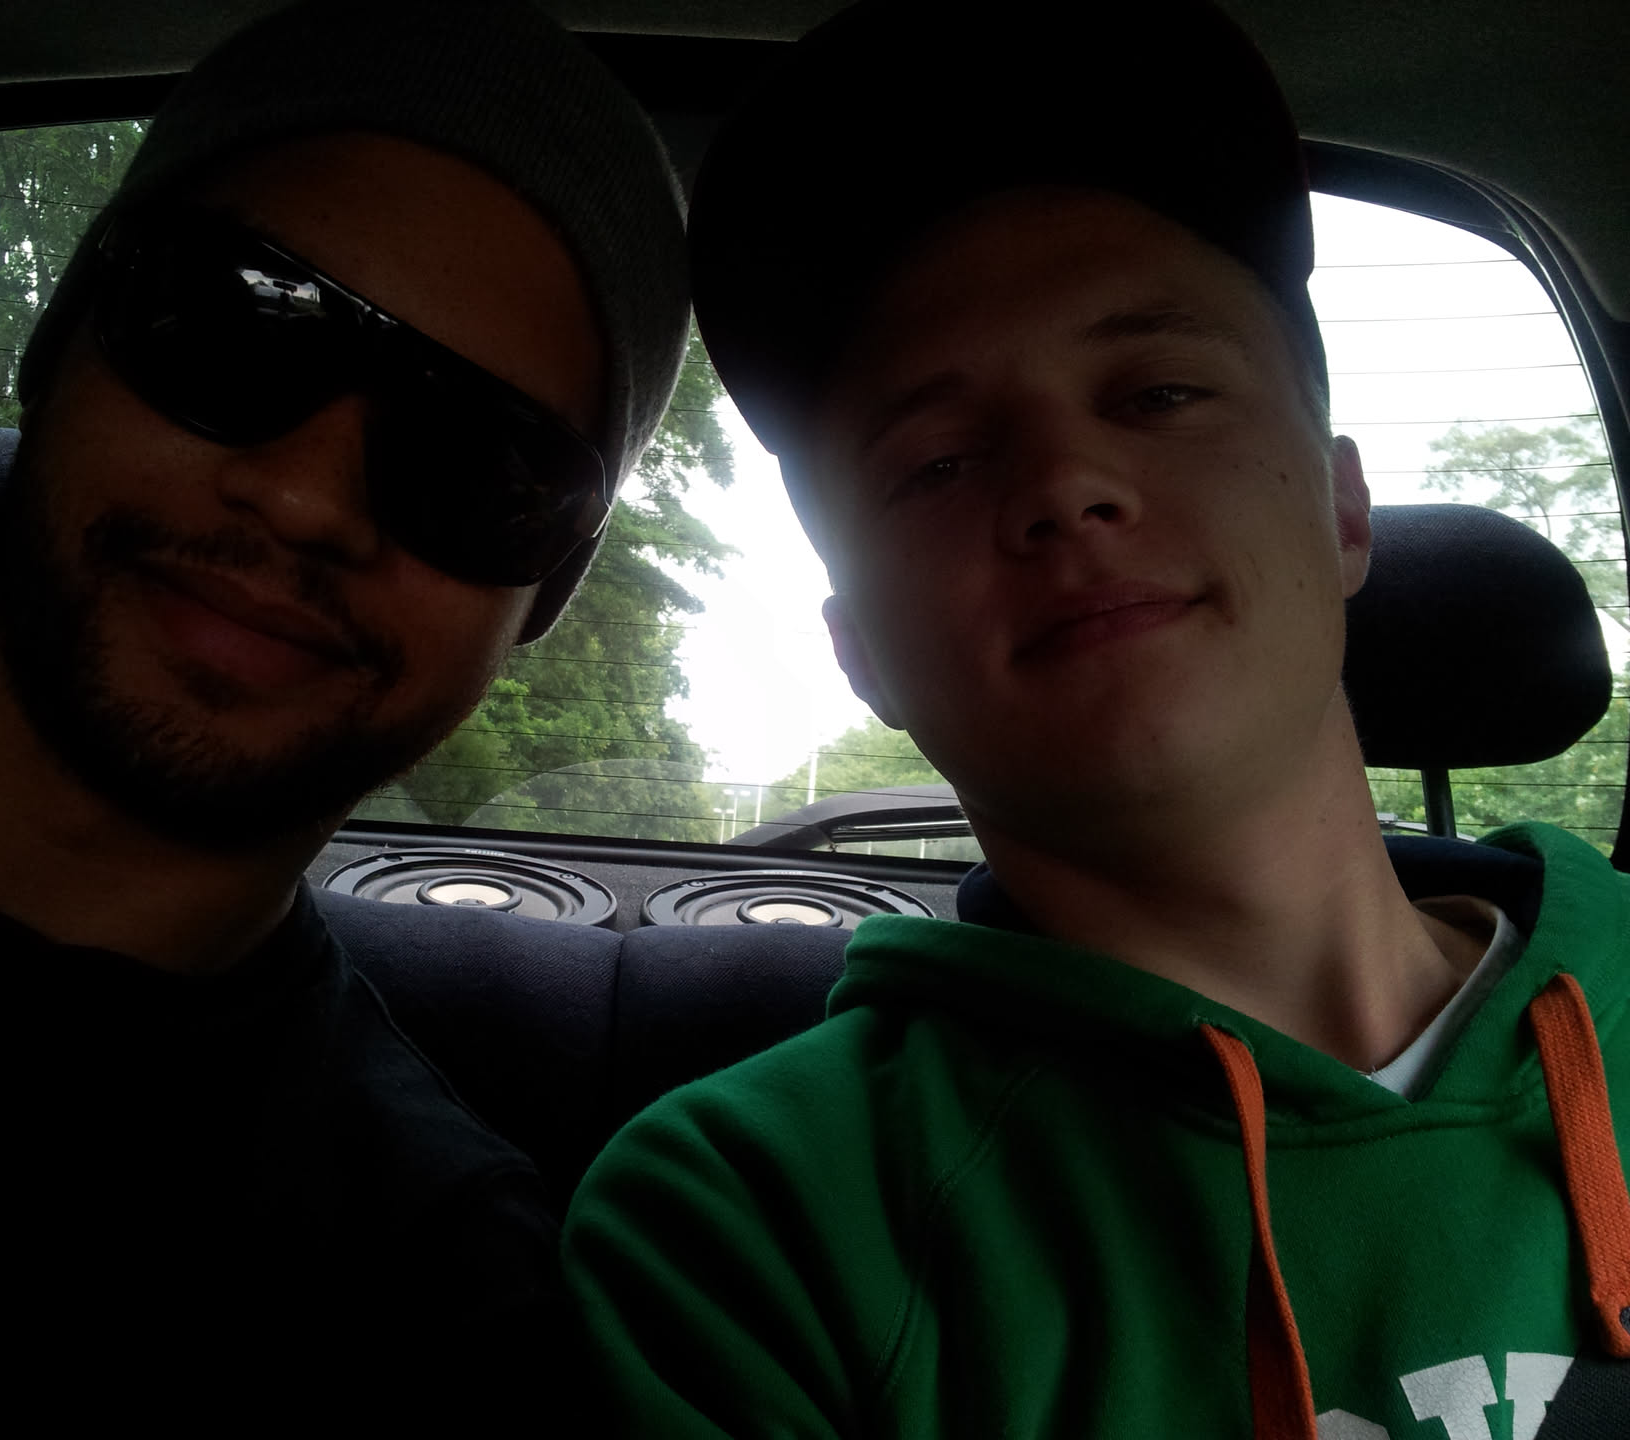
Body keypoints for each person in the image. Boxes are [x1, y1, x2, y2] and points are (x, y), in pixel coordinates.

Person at [563, 1, 1630, 1435]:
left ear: (1343, 508)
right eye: (939, 464)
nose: (1065, 485)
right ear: (864, 656)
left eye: (1161, 391)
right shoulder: (749, 1229)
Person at [0, 0, 686, 1414]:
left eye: (480, 465)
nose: (305, 497)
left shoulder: (437, 1308)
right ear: (58, 345)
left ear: (536, 598)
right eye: (237, 325)